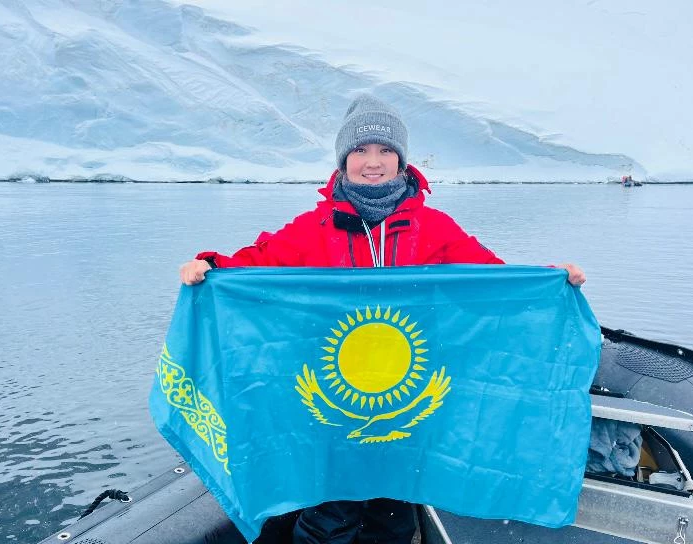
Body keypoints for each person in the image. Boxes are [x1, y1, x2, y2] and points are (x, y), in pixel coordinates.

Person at [179, 94, 586, 543]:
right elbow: (258, 263)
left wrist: (551, 281)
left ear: (401, 160)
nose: (373, 162)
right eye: (360, 150)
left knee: (392, 516)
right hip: (334, 396)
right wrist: (209, 266)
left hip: (409, 394)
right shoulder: (315, 228)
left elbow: (492, 280)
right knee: (331, 513)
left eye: (385, 150)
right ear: (343, 159)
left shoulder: (433, 228)